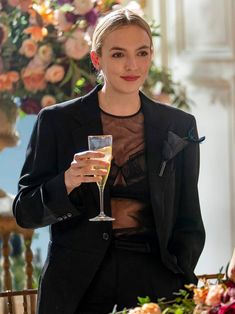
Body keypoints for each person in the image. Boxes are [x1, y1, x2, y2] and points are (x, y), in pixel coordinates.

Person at [13, 8, 205, 314]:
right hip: (77, 287)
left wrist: (179, 274)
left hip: (157, 283)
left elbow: (189, 218)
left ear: (150, 56)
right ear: (96, 59)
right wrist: (66, 181)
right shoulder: (57, 121)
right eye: (118, 55)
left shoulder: (179, 126)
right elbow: (25, 212)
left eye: (141, 53)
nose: (132, 65)